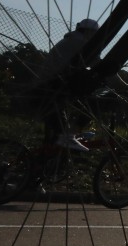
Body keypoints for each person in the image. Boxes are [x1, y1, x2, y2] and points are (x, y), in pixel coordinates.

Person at [38, 18, 100, 151]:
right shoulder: (82, 43)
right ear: (91, 32)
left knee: (54, 136)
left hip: (45, 85)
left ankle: (46, 161)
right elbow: (100, 66)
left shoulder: (69, 40)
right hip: (56, 86)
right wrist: (122, 85)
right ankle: (71, 135)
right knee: (93, 103)